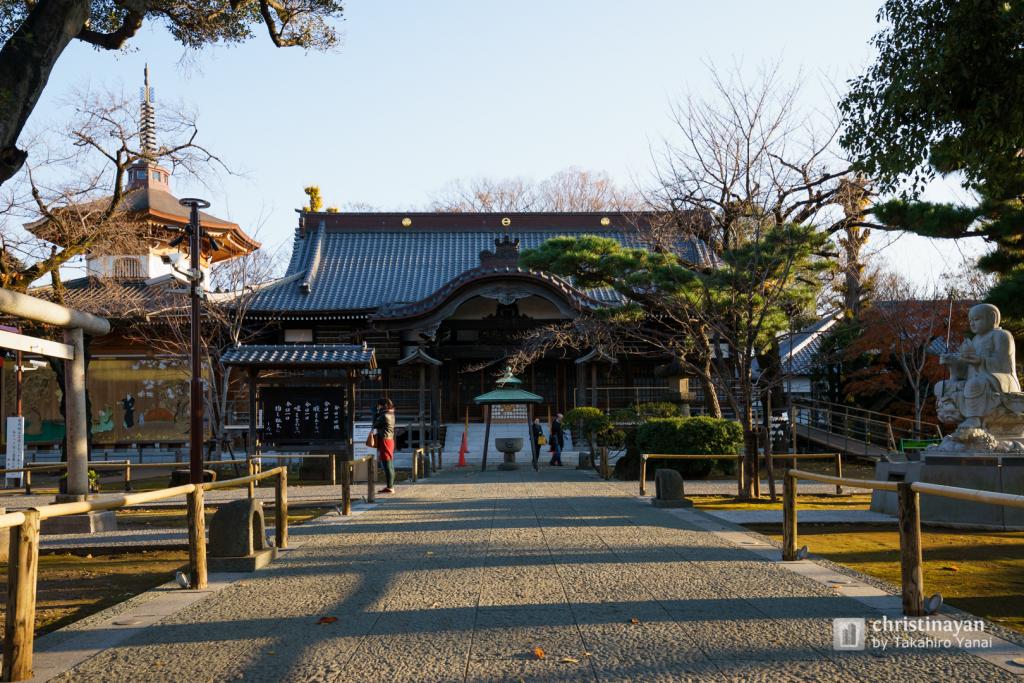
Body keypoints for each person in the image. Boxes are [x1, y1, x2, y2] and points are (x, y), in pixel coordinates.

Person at [937, 303, 1022, 429]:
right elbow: (966, 368)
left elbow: (1003, 364)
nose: (972, 323)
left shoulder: (1002, 335)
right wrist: (954, 362)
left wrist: (981, 360)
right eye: (970, 320)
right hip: (978, 378)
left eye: (977, 319)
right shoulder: (975, 340)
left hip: (999, 378)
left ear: (992, 318)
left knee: (974, 384)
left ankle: (974, 418)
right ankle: (955, 415)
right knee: (941, 386)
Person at [373, 398, 396, 493]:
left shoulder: (384, 416)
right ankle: (390, 486)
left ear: (382, 406)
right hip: (390, 440)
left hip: (385, 440)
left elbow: (375, 425)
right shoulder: (391, 414)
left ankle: (390, 487)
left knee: (386, 464)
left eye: (379, 406)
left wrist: (376, 414)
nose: (378, 407)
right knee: (389, 463)